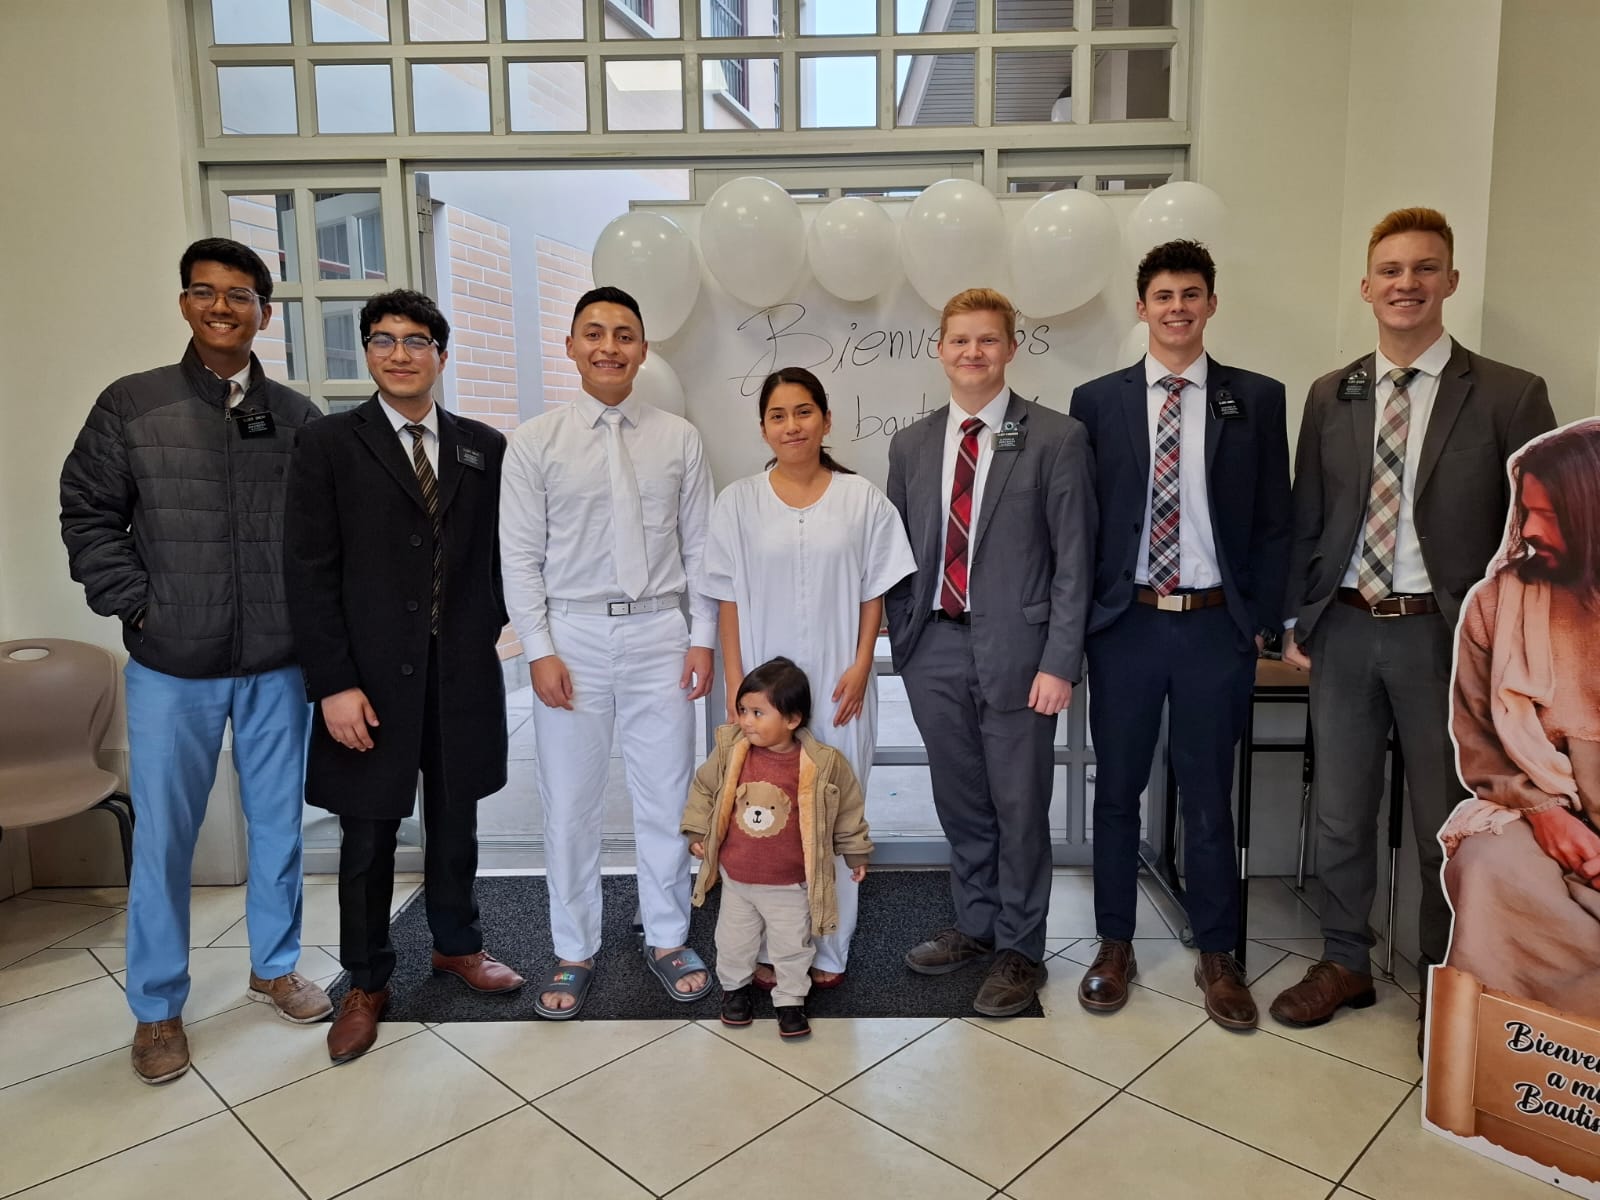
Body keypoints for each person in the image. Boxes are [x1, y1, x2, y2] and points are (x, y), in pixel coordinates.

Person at [1271, 207, 1556, 1033]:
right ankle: (1344, 962)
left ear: (1451, 282)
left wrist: (1518, 655)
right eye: (1390, 271)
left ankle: (1448, 983)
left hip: (1450, 641)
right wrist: (1298, 618)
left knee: (1449, 819)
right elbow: (1308, 517)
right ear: (1367, 287)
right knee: (1340, 812)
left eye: (1423, 269)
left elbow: (1541, 539)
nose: (1406, 284)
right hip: (1348, 630)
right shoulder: (1333, 394)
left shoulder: (1509, 393)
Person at [59, 237, 329, 1084]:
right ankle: (157, 1007)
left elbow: (323, 539)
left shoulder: (297, 417)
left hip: (277, 664)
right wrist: (141, 605)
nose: (223, 307)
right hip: (172, 663)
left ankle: (275, 964)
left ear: (263, 311)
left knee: (280, 827)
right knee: (167, 840)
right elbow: (87, 514)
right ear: (184, 303)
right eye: (206, 292)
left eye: (241, 295)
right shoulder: (131, 407)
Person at [284, 288, 523, 1064]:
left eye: (416, 340)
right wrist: (332, 682)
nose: (399, 353)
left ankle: (457, 944)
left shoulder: (483, 446)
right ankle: (366, 981)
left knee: (458, 825)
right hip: (369, 683)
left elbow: (502, 555)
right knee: (368, 838)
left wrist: (493, 627)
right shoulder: (327, 445)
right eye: (383, 340)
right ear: (367, 352)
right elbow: (309, 570)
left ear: (441, 356)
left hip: (459, 675)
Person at [1069, 240, 1291, 1030]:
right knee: (1119, 791)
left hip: (1210, 630)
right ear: (1141, 307)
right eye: (1162, 295)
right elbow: (1087, 520)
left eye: (1190, 294)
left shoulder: (1256, 398)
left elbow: (1273, 522)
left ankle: (1218, 954)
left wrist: (1264, 623)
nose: (1176, 308)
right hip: (1126, 624)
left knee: (1207, 798)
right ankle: (1115, 943)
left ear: (1211, 304)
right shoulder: (1096, 401)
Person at [500, 285, 717, 1019]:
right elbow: (520, 558)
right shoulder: (535, 441)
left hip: (660, 631)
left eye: (624, 334)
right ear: (569, 347)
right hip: (574, 637)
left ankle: (666, 936)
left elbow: (703, 549)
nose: (609, 347)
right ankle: (573, 950)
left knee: (667, 797)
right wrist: (539, 648)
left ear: (642, 349)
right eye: (593, 333)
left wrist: (702, 637)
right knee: (570, 805)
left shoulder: (678, 438)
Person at [885, 286, 1096, 1018]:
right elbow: (897, 556)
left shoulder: (1056, 438)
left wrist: (1060, 662)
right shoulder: (911, 445)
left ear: (1010, 348)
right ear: (940, 349)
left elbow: (1075, 561)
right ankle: (975, 925)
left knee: (1019, 806)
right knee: (962, 801)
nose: (972, 352)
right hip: (933, 650)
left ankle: (1021, 948)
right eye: (959, 340)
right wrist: (904, 644)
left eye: (987, 340)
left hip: (1022, 655)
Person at [704, 366, 914, 988]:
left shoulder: (862, 498)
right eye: (777, 415)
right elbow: (727, 599)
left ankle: (829, 947)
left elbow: (875, 588)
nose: (791, 425)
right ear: (763, 427)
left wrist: (859, 663)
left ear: (825, 419)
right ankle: (771, 946)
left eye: (803, 412)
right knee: (762, 812)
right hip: (762, 693)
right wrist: (738, 688)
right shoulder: (738, 502)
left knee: (831, 808)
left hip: (837, 683)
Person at [1443, 420, 1600, 1021]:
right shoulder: (1497, 603)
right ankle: (1498, 1049)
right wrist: (1546, 813)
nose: (1531, 531)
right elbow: (1481, 745)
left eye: (1552, 515)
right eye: (1526, 512)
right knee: (1485, 862)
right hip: (1547, 811)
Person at [682, 657, 874, 1039]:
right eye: (742, 711)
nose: (746, 721)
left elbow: (847, 809)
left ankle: (790, 1002)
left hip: (790, 884)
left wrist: (855, 851)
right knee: (733, 942)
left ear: (792, 719)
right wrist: (697, 832)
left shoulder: (820, 764)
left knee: (792, 947)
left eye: (757, 712)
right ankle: (734, 992)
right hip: (737, 879)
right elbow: (704, 790)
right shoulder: (730, 752)